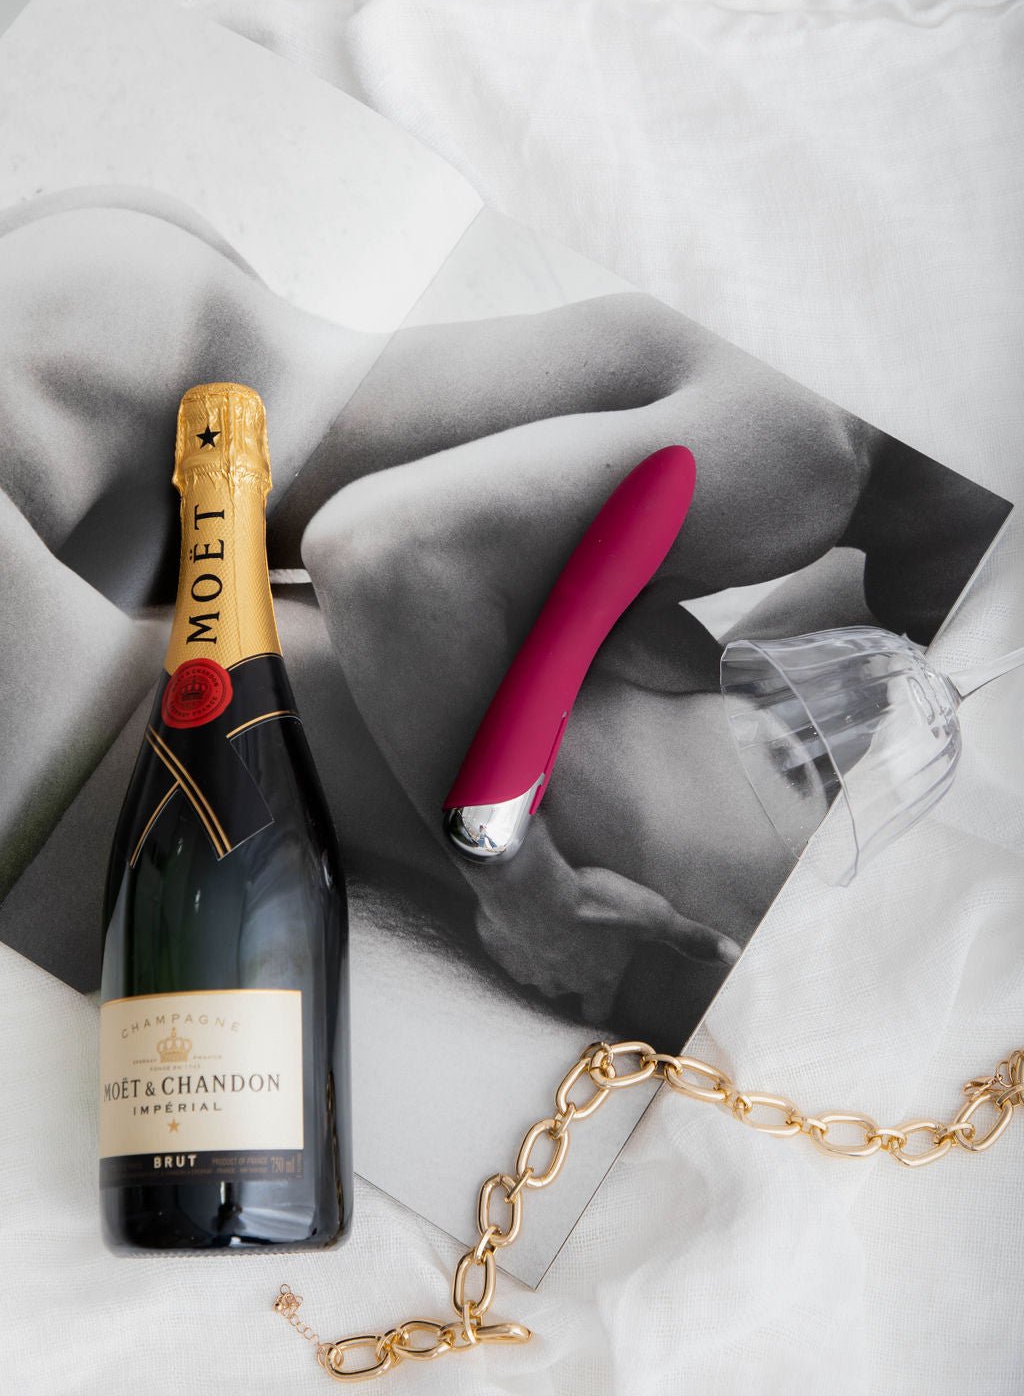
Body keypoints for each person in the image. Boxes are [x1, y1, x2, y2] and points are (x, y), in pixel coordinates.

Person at [0, 188, 1008, 1032]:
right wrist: (524, 891)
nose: (959, 631)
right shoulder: (808, 457)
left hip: (160, 360)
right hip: (126, 391)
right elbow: (379, 552)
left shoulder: (808, 455)